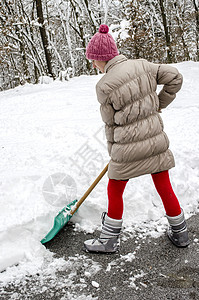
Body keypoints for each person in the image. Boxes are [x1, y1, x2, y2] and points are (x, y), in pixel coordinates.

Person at [83, 24, 189, 253]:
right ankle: (181, 233)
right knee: (164, 186)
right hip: (155, 142)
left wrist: (113, 153)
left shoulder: (104, 86)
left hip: (126, 149)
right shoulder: (144, 66)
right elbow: (175, 77)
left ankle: (109, 240)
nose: (93, 64)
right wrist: (158, 104)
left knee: (114, 188)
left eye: (93, 60)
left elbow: (110, 124)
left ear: (102, 58)